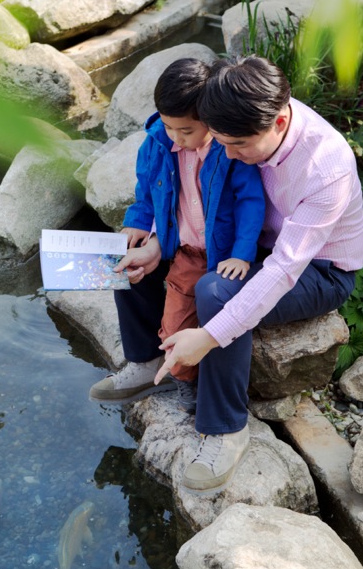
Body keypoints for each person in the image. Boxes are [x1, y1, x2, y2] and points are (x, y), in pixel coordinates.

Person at [149, 54, 363, 492]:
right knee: (158, 254)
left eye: (238, 146)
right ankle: (144, 359)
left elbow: (286, 268)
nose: (227, 155)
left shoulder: (327, 167)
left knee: (217, 292)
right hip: (254, 246)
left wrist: (209, 337)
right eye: (221, 142)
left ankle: (226, 428)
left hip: (319, 269)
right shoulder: (247, 108)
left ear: (280, 124)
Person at [89, 57, 265, 415]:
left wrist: (243, 252)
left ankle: (186, 381)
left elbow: (251, 203)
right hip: (178, 245)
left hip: (217, 254)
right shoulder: (156, 142)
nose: (176, 138)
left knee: (191, 316)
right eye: (169, 127)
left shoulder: (225, 151)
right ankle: (146, 362)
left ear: (209, 119)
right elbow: (146, 190)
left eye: (186, 131)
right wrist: (138, 223)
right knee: (129, 266)